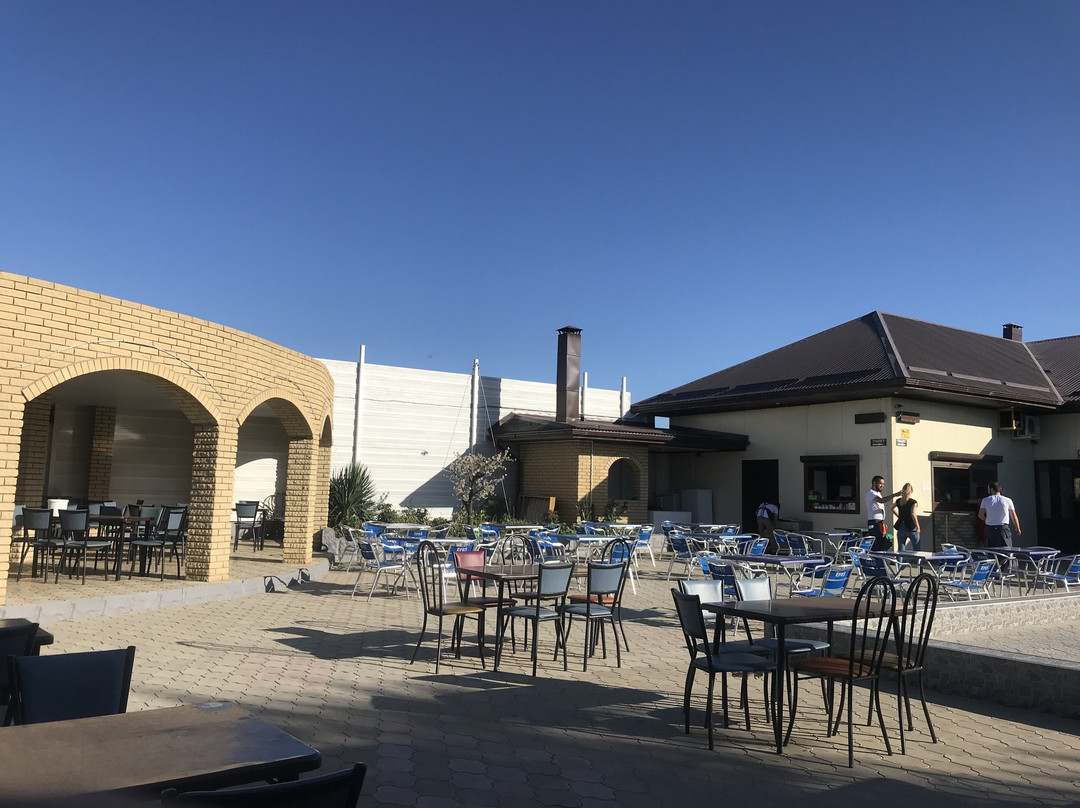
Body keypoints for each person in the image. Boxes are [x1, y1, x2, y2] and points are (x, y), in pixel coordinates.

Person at [979, 482, 1021, 548]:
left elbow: (980, 515)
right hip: (1003, 528)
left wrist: (988, 520)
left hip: (990, 529)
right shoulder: (1007, 500)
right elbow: (1014, 516)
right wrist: (1017, 527)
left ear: (992, 489)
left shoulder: (985, 500)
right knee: (1006, 550)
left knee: (991, 550)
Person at [865, 475, 902, 551]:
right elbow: (881, 500)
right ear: (874, 483)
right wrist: (895, 495)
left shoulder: (877, 493)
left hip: (880, 521)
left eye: (883, 484)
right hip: (874, 521)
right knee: (877, 542)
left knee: (882, 541)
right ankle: (875, 556)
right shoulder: (871, 493)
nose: (882, 486)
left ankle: (880, 556)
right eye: (880, 483)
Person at [892, 483, 920, 551]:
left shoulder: (899, 501)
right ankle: (916, 559)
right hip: (911, 526)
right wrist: (918, 526)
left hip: (901, 526)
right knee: (916, 548)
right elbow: (913, 514)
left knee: (901, 549)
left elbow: (891, 508)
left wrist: (899, 516)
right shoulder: (913, 502)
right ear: (911, 491)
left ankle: (900, 558)